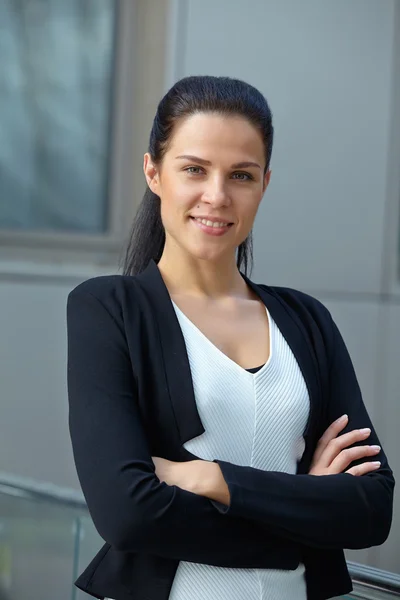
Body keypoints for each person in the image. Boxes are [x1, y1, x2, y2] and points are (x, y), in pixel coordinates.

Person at [66, 75, 394, 600]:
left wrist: (212, 479)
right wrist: (305, 510)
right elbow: (128, 513)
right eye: (194, 169)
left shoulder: (307, 320)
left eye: (241, 175)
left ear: (264, 184)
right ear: (153, 171)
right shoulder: (110, 309)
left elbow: (372, 510)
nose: (216, 196)